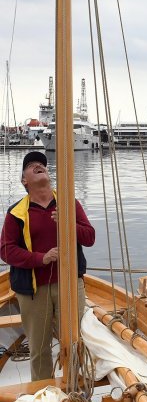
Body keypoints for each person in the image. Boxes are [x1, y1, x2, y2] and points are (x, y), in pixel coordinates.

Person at [0, 151, 95, 381]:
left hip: (69, 284)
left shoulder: (68, 203)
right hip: (33, 291)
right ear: (24, 180)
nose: (39, 166)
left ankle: (75, 390)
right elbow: (5, 250)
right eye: (32, 165)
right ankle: (42, 397)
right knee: (39, 350)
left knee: (74, 343)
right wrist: (39, 259)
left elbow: (89, 237)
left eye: (41, 164)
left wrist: (68, 222)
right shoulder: (17, 212)